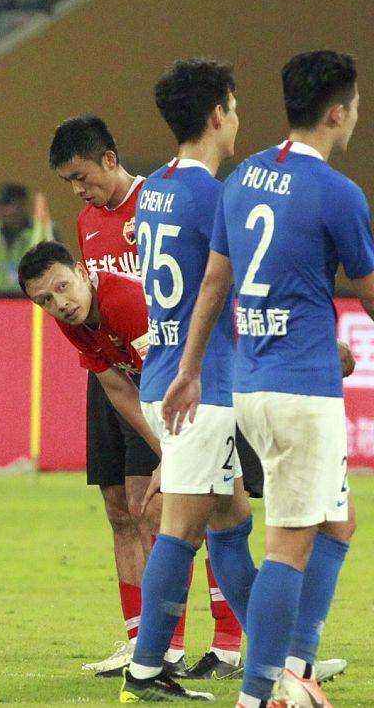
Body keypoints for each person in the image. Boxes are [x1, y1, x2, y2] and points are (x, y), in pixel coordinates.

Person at [163, 50, 367, 708]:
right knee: (289, 544)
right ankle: (264, 692)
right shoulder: (338, 193)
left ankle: (296, 667)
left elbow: (214, 284)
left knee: (337, 519)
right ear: (337, 112)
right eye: (355, 104)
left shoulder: (245, 176)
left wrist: (189, 369)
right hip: (302, 391)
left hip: (252, 382)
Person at [119, 58, 251, 702]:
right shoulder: (213, 196)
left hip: (165, 373)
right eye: (235, 106)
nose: (239, 118)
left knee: (231, 518)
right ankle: (145, 671)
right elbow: (237, 283)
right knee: (183, 529)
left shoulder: (156, 189)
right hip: (197, 386)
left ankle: (279, 654)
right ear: (217, 115)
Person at [48, 117, 165, 675]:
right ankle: (137, 639)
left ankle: (190, 641)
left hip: (159, 375)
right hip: (110, 377)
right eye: (69, 181)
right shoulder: (87, 222)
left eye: (82, 176)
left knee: (163, 510)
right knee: (119, 510)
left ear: (110, 160)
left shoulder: (158, 204)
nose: (78, 189)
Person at [0, 183, 55, 291]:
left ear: (22, 205)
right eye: (0, 205)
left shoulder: (42, 232)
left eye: (8, 205)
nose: (2, 210)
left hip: (30, 298)